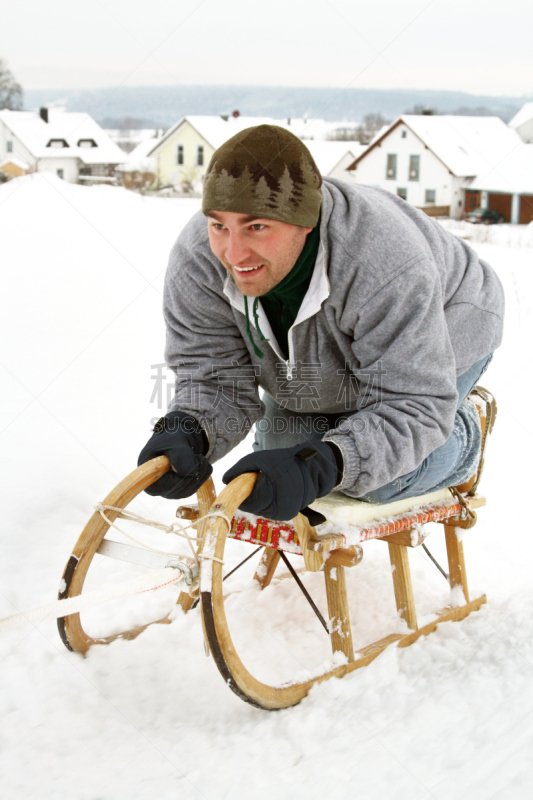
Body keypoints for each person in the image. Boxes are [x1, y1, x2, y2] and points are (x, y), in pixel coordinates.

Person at [138, 124, 504, 521]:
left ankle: (462, 435)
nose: (233, 251)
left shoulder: (384, 261)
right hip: (319, 362)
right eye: (219, 225)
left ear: (305, 220)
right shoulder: (199, 259)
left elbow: (410, 402)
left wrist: (326, 465)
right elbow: (214, 376)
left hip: (445, 333)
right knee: (280, 445)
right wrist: (190, 428)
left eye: (257, 226)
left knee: (379, 476)